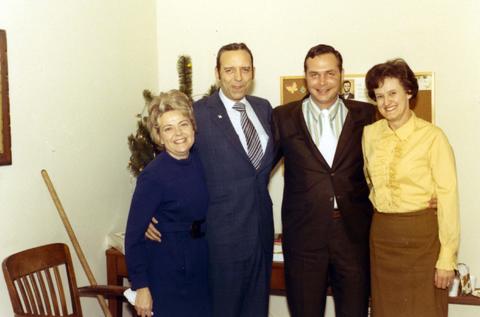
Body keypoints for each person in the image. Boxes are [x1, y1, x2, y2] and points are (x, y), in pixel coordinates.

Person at [146, 43, 275, 317]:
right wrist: (148, 211)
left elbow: (260, 169)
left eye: (244, 69)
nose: (237, 77)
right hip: (220, 243)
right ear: (217, 73)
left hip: (261, 238)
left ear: (253, 72)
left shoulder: (264, 109)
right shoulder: (199, 113)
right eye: (229, 70)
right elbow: (172, 160)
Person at [272, 44, 375, 317]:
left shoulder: (367, 115)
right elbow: (255, 172)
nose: (322, 82)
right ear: (304, 76)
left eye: (329, 73)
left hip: (353, 236)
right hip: (304, 238)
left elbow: (391, 163)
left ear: (342, 74)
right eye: (314, 74)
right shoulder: (283, 117)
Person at [362, 58, 460, 317]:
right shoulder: (369, 135)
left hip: (422, 238)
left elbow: (448, 199)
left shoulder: (433, 137)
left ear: (409, 92)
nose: (386, 102)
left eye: (392, 93)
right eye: (379, 96)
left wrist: (447, 259)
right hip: (382, 237)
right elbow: (370, 182)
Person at [125, 90, 210, 317]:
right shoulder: (153, 176)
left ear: (193, 127)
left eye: (183, 124)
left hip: (203, 265)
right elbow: (133, 236)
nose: (178, 134)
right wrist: (141, 287)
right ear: (159, 136)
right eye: (168, 128)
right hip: (168, 269)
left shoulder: (203, 163)